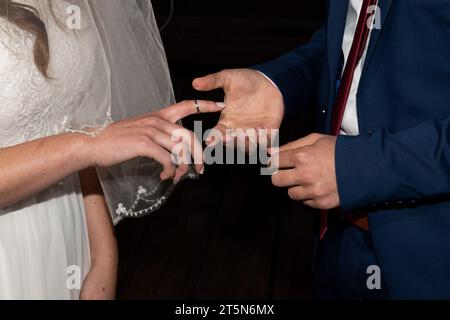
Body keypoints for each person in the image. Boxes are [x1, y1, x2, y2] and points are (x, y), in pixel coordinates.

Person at [194, 0, 450, 299]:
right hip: (337, 235)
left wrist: (357, 167)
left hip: (432, 249)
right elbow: (353, 41)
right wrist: (278, 83)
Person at [0, 0, 222, 299]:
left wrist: (103, 254)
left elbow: (69, 120)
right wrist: (90, 144)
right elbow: (82, 143)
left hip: (67, 225)